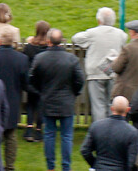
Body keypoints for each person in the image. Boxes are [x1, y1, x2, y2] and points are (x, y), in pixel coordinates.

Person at [28, 29, 85, 171]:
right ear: (62, 41)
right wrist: (73, 93)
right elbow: (79, 80)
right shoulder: (71, 59)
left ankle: (50, 167)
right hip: (66, 102)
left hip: (47, 100)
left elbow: (32, 79)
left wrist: (41, 91)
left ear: (48, 41)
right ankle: (66, 167)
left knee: (49, 135)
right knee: (66, 136)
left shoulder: (40, 58)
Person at [71, 7, 126, 123]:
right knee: (112, 104)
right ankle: (113, 130)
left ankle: (100, 132)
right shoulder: (121, 34)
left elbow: (76, 38)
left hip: (95, 74)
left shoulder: (92, 33)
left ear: (99, 20)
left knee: (98, 106)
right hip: (113, 72)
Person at [0, 31, 29, 170]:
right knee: (11, 135)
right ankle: (9, 166)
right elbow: (25, 82)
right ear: (13, 43)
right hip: (13, 100)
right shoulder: (22, 59)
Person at [80, 96, 138, 171]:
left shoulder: (96, 126)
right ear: (128, 110)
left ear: (112, 108)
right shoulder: (132, 133)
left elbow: (85, 151)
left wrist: (95, 164)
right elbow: (131, 161)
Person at [22, 20, 50, 142]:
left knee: (30, 103)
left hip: (31, 79)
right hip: (44, 80)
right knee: (41, 105)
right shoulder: (48, 48)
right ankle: (38, 130)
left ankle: (29, 129)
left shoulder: (29, 47)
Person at [112, 20, 138, 100]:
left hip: (128, 93)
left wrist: (115, 60)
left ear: (133, 33)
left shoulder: (128, 48)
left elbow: (116, 68)